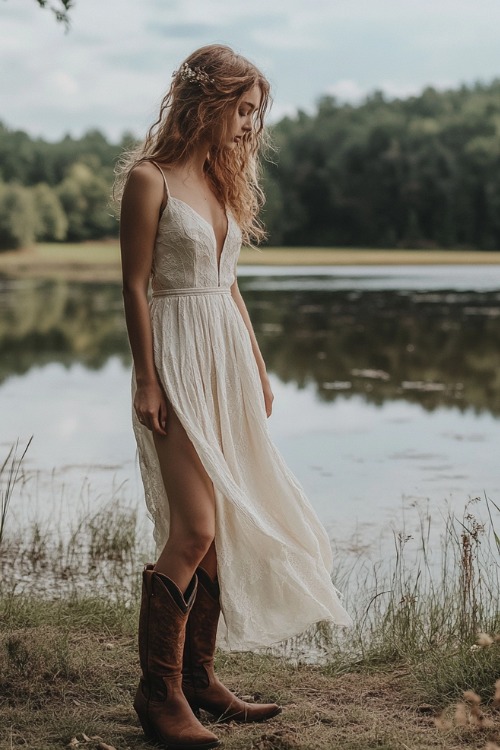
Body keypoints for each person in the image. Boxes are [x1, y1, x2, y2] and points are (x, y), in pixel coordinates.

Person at [115, 44, 352, 750]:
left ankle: (199, 682)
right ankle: (157, 698)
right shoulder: (148, 179)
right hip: (179, 360)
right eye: (242, 109)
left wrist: (257, 364)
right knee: (193, 528)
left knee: (219, 530)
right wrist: (147, 376)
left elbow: (229, 284)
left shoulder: (222, 183)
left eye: (255, 112)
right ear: (206, 102)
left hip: (225, 358)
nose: (250, 125)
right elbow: (133, 286)